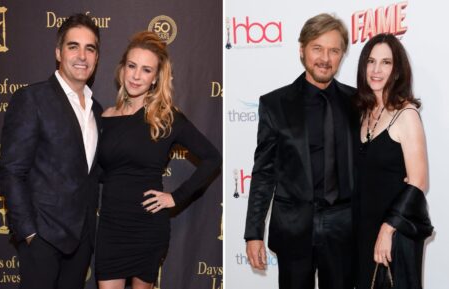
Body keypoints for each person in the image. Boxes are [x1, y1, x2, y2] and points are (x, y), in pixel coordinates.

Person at [94, 31, 221, 289]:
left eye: (146, 70)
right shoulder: (105, 115)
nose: (136, 75)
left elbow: (212, 158)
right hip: (110, 227)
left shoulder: (166, 118)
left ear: (155, 78)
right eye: (132, 66)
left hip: (147, 227)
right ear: (122, 69)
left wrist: (175, 197)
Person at [244, 13, 358, 289]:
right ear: (302, 49)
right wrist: (253, 233)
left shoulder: (358, 102)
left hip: (344, 226)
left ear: (342, 55)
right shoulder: (274, 104)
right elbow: (264, 173)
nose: (325, 58)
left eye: (334, 50)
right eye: (317, 48)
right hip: (294, 227)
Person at [0, 13, 102, 289]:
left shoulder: (98, 111)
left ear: (96, 58)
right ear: (58, 52)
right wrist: (30, 234)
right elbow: (11, 170)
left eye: (89, 48)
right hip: (42, 239)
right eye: (73, 46)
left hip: (81, 242)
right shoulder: (32, 99)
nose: (82, 55)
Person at [354, 33, 433, 289]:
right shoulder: (363, 112)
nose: (376, 70)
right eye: (371, 61)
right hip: (363, 230)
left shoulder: (406, 114)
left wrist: (387, 230)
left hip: (394, 234)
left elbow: (418, 182)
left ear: (397, 69)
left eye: (386, 62)